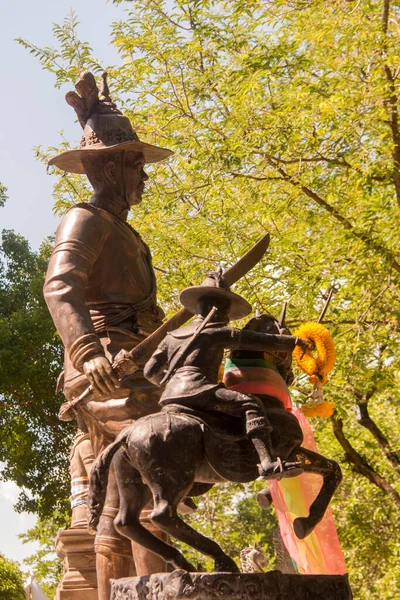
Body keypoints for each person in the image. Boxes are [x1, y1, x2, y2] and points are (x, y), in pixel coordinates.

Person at [43, 71, 172, 599]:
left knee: (127, 493)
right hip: (104, 367)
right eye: (136, 162)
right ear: (111, 165)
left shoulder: (129, 232)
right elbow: (61, 286)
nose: (144, 174)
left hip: (138, 360)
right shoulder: (86, 218)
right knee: (154, 460)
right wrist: (87, 352)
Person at [144, 271, 310, 478]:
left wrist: (172, 384)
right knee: (250, 403)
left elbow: (149, 371)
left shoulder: (172, 336)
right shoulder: (215, 331)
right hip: (201, 391)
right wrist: (295, 342)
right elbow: (257, 340)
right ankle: (267, 462)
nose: (227, 317)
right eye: (226, 311)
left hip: (170, 396)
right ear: (218, 308)